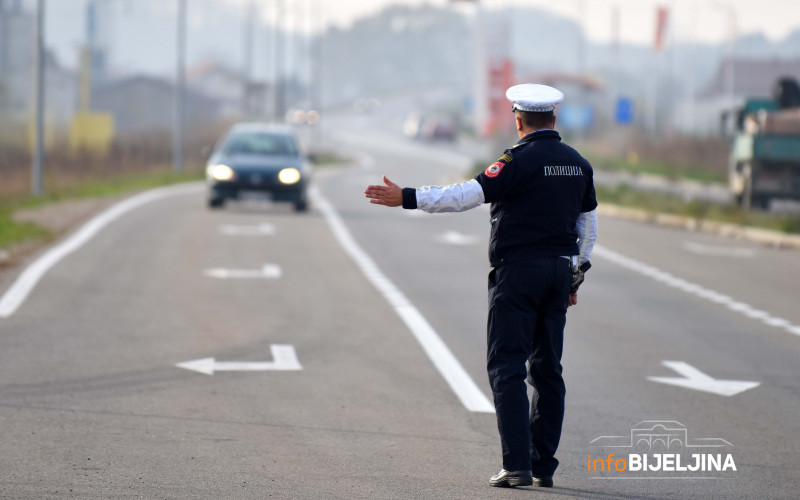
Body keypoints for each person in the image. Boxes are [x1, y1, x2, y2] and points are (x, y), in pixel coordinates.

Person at [364, 83, 598, 488]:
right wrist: (575, 274)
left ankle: (517, 466)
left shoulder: (516, 161)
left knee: (507, 367)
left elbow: (466, 195)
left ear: (518, 120)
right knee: (548, 371)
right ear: (554, 118)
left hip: (519, 272)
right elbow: (587, 226)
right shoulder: (578, 164)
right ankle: (543, 466)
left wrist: (407, 197)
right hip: (559, 271)